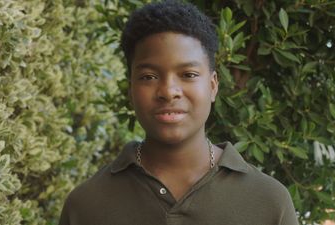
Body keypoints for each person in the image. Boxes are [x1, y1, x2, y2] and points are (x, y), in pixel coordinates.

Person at [59, 1, 299, 224]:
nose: (168, 91)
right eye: (149, 77)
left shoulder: (269, 202)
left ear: (213, 86)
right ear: (131, 88)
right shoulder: (86, 205)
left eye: (188, 75)